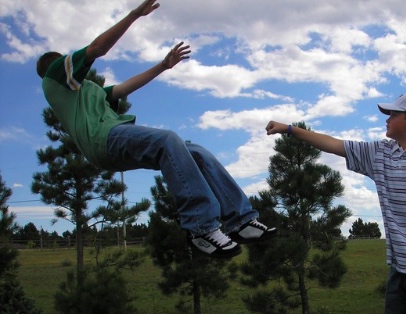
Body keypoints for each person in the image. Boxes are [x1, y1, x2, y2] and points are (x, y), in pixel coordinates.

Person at [36, 0, 276, 259]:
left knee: (195, 151)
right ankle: (201, 228)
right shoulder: (54, 76)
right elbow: (97, 48)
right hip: (103, 140)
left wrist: (163, 66)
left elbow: (125, 88)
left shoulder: (89, 90)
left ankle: (240, 221)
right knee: (167, 140)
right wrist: (134, 15)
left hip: (113, 143)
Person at [266, 92, 406, 314]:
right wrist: (290, 129)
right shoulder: (381, 154)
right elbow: (334, 145)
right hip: (399, 266)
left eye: (393, 114)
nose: (386, 119)